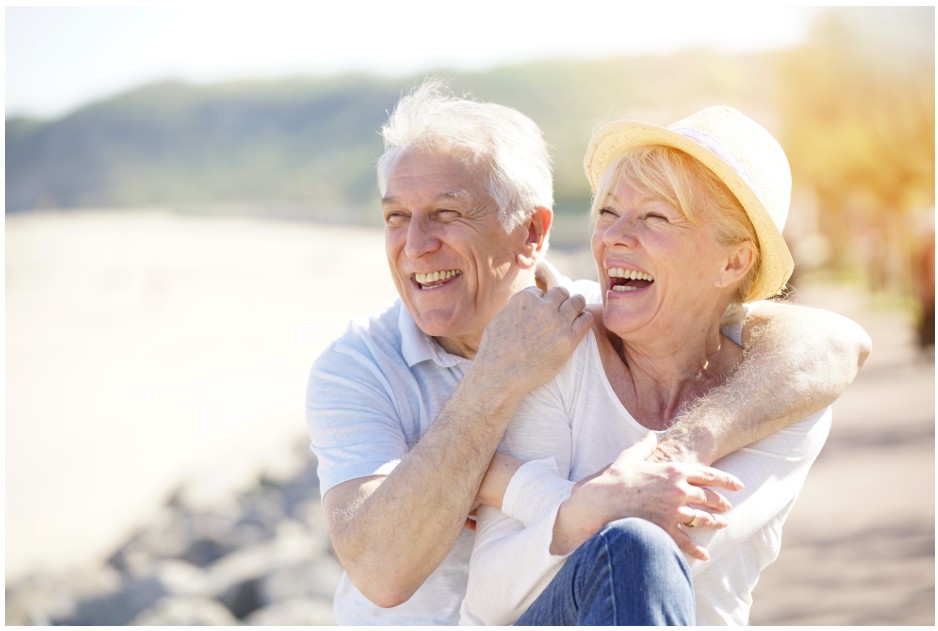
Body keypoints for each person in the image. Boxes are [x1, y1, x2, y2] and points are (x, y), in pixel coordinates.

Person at [306, 80, 872, 625]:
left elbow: (834, 340)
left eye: (447, 213)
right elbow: (383, 573)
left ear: (532, 233)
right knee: (633, 544)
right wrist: (493, 386)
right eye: (395, 217)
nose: (415, 244)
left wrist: (666, 452)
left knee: (636, 547)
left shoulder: (581, 333)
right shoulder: (360, 366)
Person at [459, 106, 862, 625]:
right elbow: (493, 601)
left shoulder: (783, 398)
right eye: (607, 213)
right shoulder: (562, 348)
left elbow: (676, 541)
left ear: (733, 263)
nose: (613, 238)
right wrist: (587, 505)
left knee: (639, 550)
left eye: (654, 217)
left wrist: (521, 488)